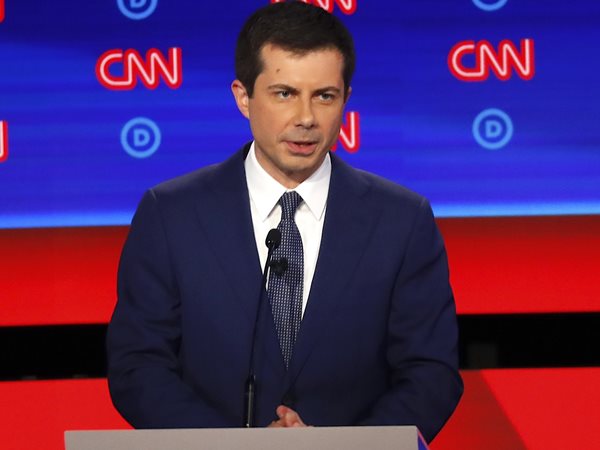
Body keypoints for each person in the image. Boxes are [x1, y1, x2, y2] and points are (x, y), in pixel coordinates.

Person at [107, 1, 462, 443]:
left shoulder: (402, 220)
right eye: (284, 93)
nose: (306, 119)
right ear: (243, 97)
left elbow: (431, 373)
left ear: (346, 100)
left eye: (324, 96)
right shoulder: (171, 213)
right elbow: (137, 365)